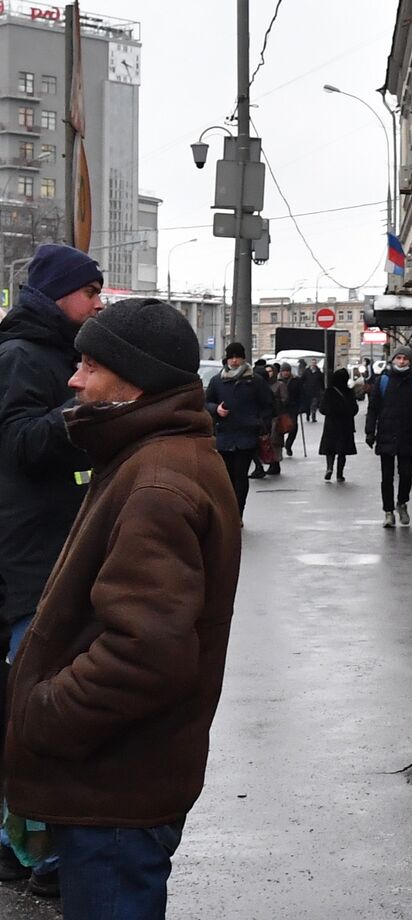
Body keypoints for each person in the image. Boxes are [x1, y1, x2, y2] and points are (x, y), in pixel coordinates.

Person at [4, 297, 241, 919]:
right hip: (119, 781)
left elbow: (145, 653)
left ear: (134, 379)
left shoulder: (158, 479)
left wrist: (44, 712)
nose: (73, 379)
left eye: (89, 365)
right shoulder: (144, 455)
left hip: (114, 789)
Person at [0, 242, 104, 896]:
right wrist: (92, 411)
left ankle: (25, 846)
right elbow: (23, 443)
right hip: (29, 564)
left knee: (30, 709)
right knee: (40, 712)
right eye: (89, 291)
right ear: (58, 295)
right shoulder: (20, 356)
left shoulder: (50, 353)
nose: (97, 302)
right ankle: (41, 854)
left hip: (45, 554)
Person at [205, 342, 274, 517]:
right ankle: (228, 513)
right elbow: (206, 403)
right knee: (226, 478)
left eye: (238, 357)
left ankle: (237, 514)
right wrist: (216, 409)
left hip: (246, 436)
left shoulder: (254, 381)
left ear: (243, 358)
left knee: (240, 475)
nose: (234, 361)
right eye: (231, 357)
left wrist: (260, 423)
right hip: (224, 436)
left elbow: (269, 405)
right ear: (227, 359)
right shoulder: (217, 381)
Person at [366, 346, 412, 528]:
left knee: (406, 475)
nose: (401, 361)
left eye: (405, 359)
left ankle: (402, 502)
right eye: (398, 358)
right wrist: (370, 431)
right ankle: (388, 512)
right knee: (387, 477)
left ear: (410, 361)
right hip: (386, 434)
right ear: (393, 360)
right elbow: (373, 408)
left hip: (407, 436)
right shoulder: (383, 381)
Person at [318, 367, 358, 482]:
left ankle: (329, 467)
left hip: (331, 425)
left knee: (330, 449)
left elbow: (322, 409)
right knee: (342, 451)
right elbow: (354, 409)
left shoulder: (329, 392)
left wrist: (332, 412)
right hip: (345, 426)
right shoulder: (349, 392)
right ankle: (340, 474)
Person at [303, 358, 325, 422]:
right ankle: (308, 414)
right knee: (308, 404)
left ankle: (313, 416)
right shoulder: (306, 371)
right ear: (311, 364)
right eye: (313, 363)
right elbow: (302, 380)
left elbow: (321, 381)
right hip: (307, 391)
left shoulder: (319, 372)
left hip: (316, 391)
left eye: (315, 363)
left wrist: (323, 389)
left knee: (314, 404)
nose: (313, 364)